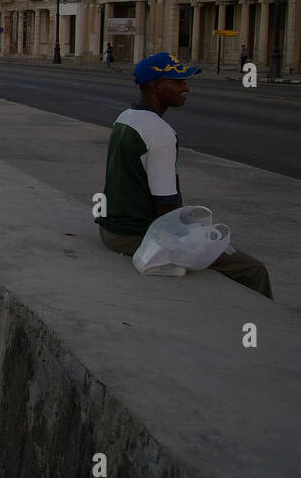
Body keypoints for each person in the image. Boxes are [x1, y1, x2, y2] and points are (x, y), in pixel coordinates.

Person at [95, 52, 272, 298]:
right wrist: (197, 239)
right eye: (178, 82)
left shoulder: (125, 117)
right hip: (135, 236)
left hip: (111, 229)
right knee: (253, 269)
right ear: (156, 86)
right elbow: (166, 207)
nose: (186, 88)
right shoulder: (160, 133)